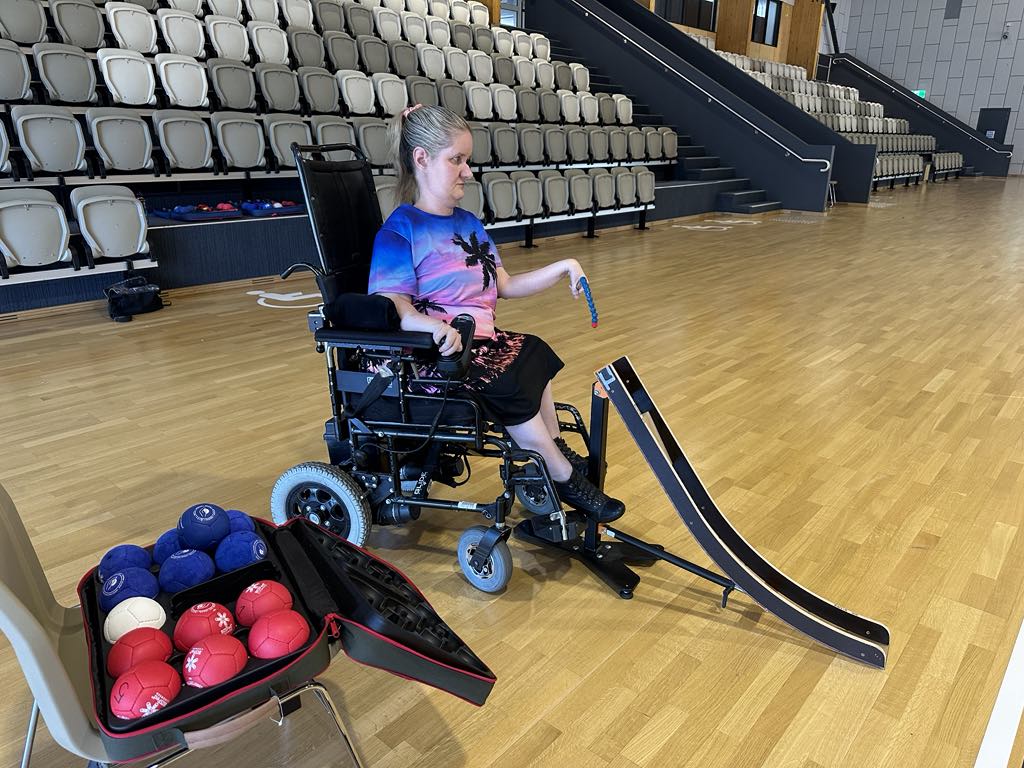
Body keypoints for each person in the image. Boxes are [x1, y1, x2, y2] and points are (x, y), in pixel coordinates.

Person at [366, 104, 624, 523]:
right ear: (422, 159)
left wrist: (565, 266)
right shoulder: (400, 231)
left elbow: (503, 284)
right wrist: (432, 326)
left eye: (467, 160)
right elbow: (393, 305)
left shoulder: (469, 223)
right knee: (504, 381)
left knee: (532, 350)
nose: (468, 172)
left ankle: (550, 450)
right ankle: (563, 477)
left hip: (478, 343)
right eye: (457, 160)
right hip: (432, 357)